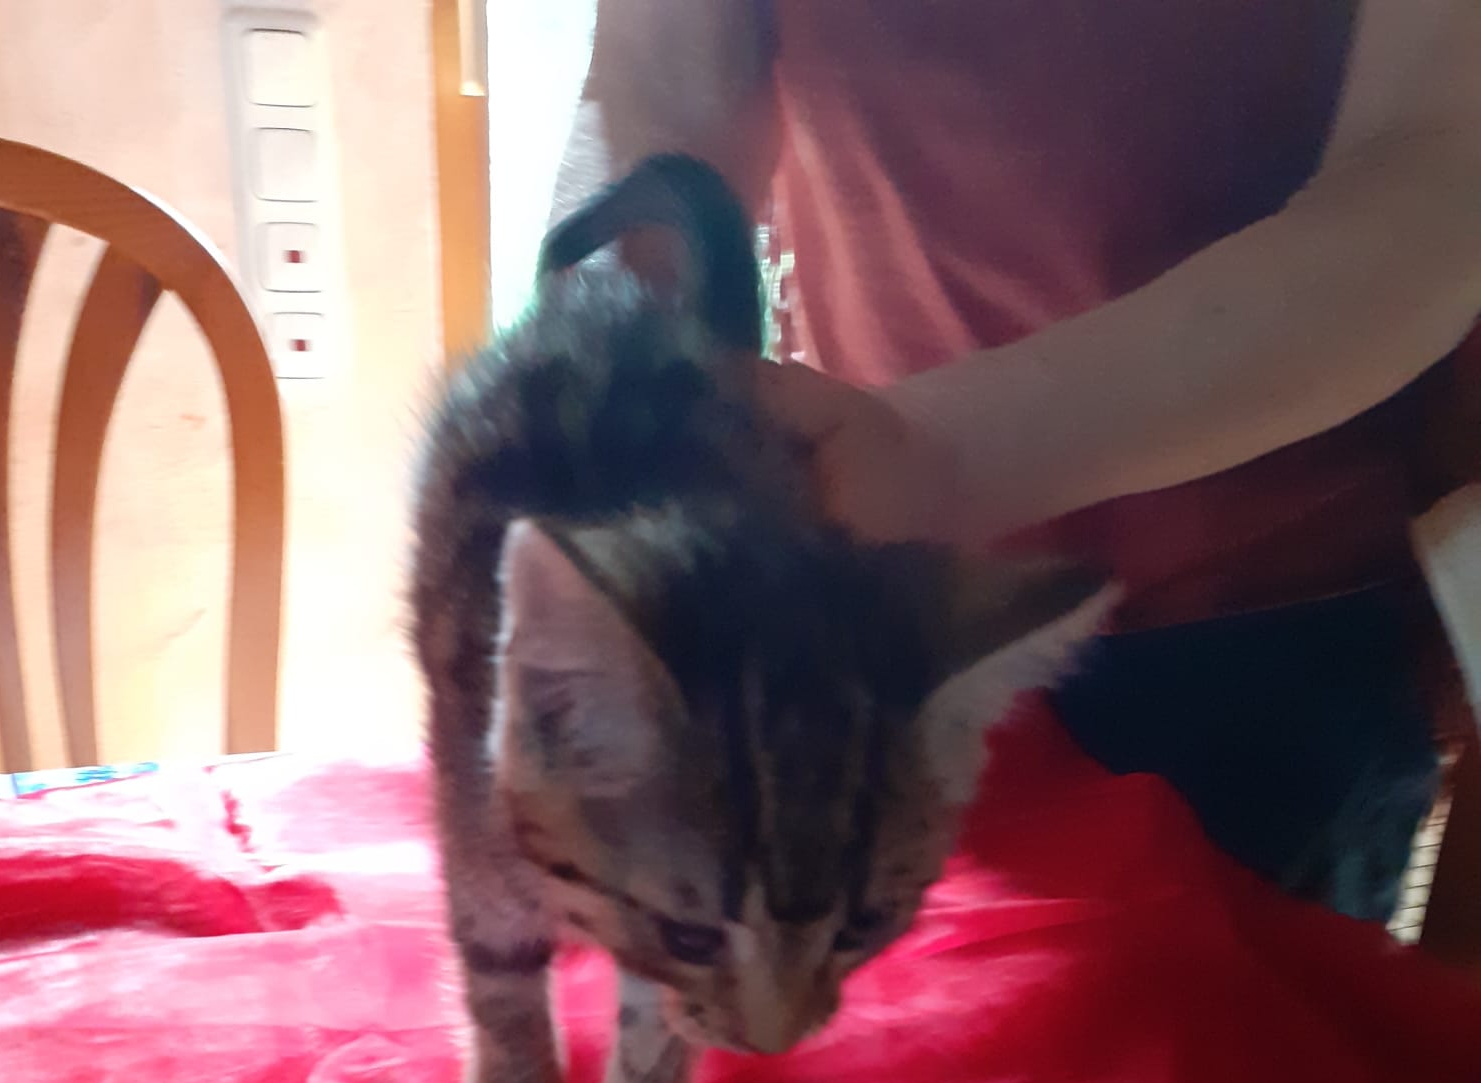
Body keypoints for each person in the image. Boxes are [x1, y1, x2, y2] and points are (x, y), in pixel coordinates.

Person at [551, 0, 1481, 926]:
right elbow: (665, 82)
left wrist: (945, 456)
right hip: (867, 612)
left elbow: (1432, 172)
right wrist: (609, 401)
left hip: (1255, 634)